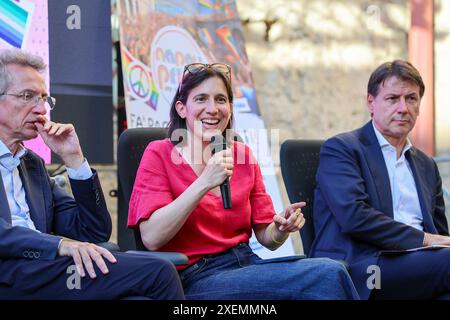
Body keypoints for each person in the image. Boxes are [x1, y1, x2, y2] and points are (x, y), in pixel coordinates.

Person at [128, 62, 359, 300]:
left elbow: (267, 238)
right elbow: (152, 238)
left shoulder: (242, 155)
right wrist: (204, 182)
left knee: (333, 268)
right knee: (328, 275)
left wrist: (280, 229)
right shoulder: (159, 153)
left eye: (220, 99)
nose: (212, 108)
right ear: (181, 108)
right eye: (201, 99)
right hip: (195, 277)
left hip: (247, 264)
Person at [0, 48, 184, 300]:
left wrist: (74, 159)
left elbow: (93, 232)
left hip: (41, 273)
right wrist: (60, 245)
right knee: (159, 272)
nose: (41, 108)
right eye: (27, 96)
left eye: (44, 98)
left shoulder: (32, 165)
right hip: (9, 273)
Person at [310, 60, 450, 300]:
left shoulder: (426, 165)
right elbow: (355, 217)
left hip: (421, 266)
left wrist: (433, 243)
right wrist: (425, 240)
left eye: (412, 99)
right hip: (365, 269)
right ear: (371, 103)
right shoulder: (342, 149)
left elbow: (440, 233)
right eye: (393, 98)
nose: (403, 108)